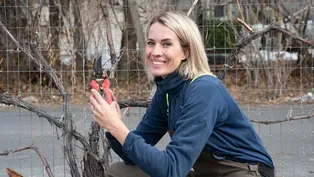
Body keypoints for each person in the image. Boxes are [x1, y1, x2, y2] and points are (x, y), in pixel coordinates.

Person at [90, 11, 275, 177]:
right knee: (120, 172)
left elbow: (171, 169)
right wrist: (114, 125)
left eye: (166, 44)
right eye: (151, 43)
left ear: (186, 51)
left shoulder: (204, 89)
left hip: (246, 172)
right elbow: (132, 158)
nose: (155, 52)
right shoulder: (167, 92)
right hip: (207, 173)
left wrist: (116, 127)